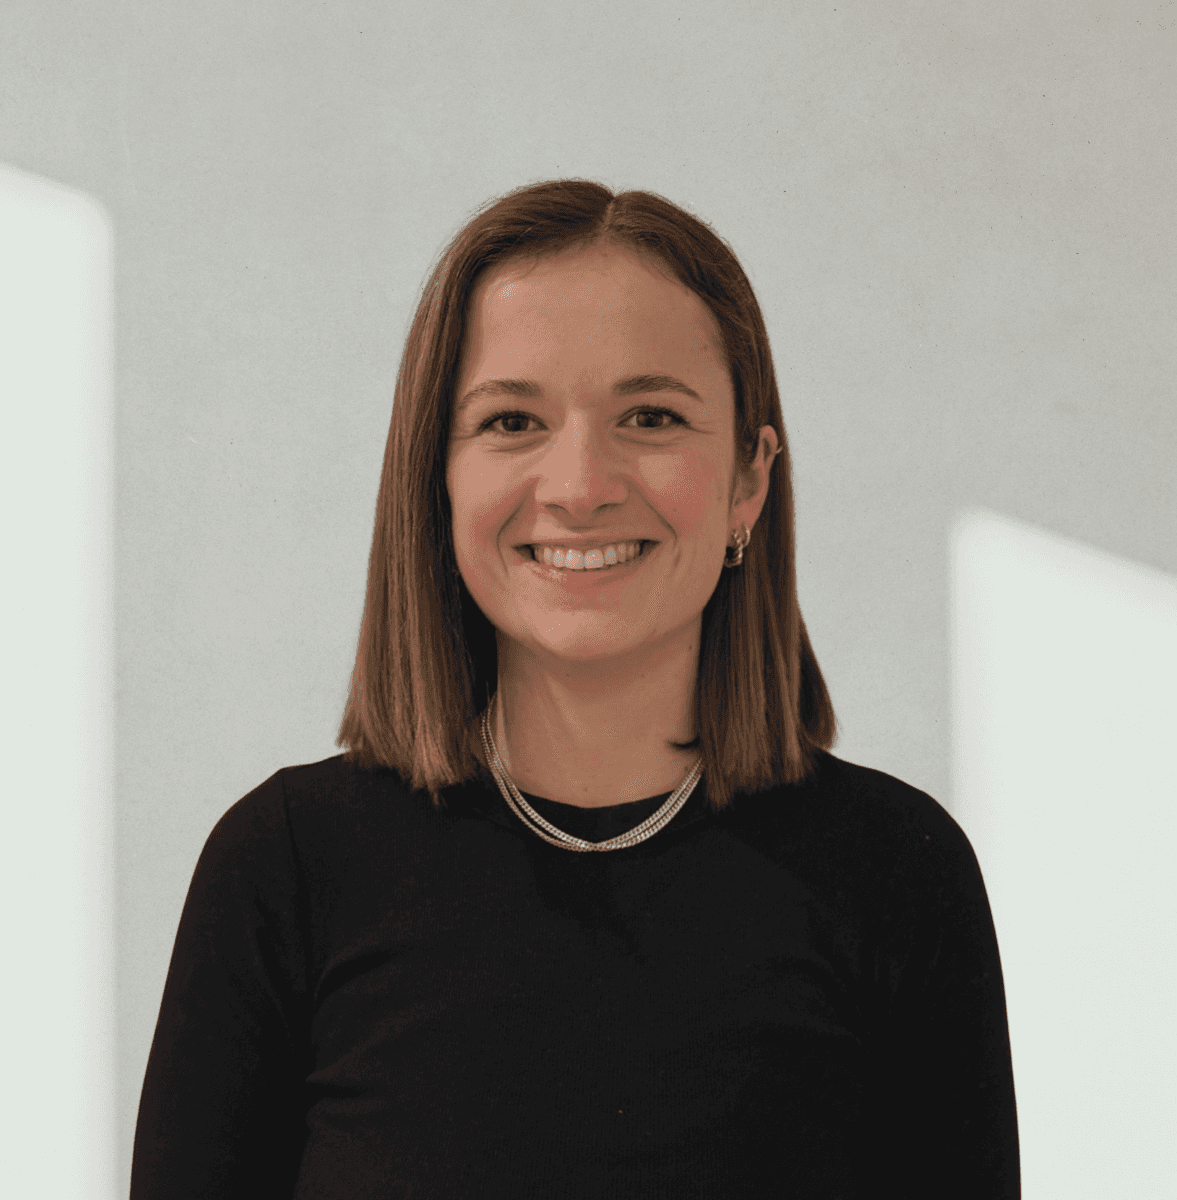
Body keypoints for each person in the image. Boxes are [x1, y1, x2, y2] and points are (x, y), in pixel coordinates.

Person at [130, 180, 1019, 1198]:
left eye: (650, 415)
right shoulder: (285, 870)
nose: (581, 484)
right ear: (438, 478)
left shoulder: (898, 878)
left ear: (748, 479)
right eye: (512, 420)